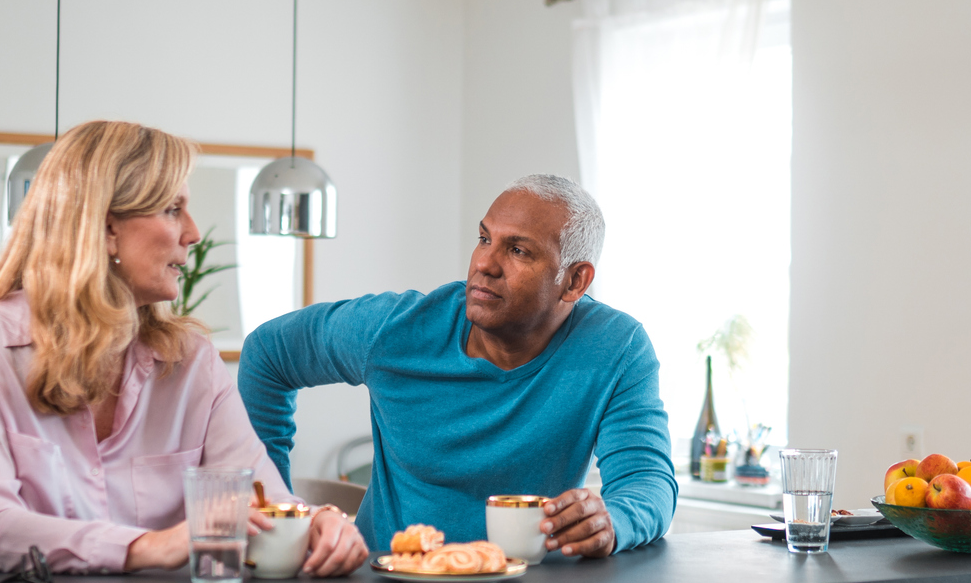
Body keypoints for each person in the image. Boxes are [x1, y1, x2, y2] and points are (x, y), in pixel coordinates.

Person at [0, 121, 368, 576]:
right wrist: (149, 546)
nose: (194, 232)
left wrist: (318, 522)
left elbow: (262, 499)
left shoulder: (191, 360)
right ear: (106, 229)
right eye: (172, 209)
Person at [240, 175, 674, 558]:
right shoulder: (394, 329)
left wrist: (614, 521)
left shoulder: (616, 347)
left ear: (575, 281)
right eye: (484, 239)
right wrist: (272, 505)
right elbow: (266, 354)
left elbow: (647, 480)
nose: (484, 264)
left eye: (518, 250)